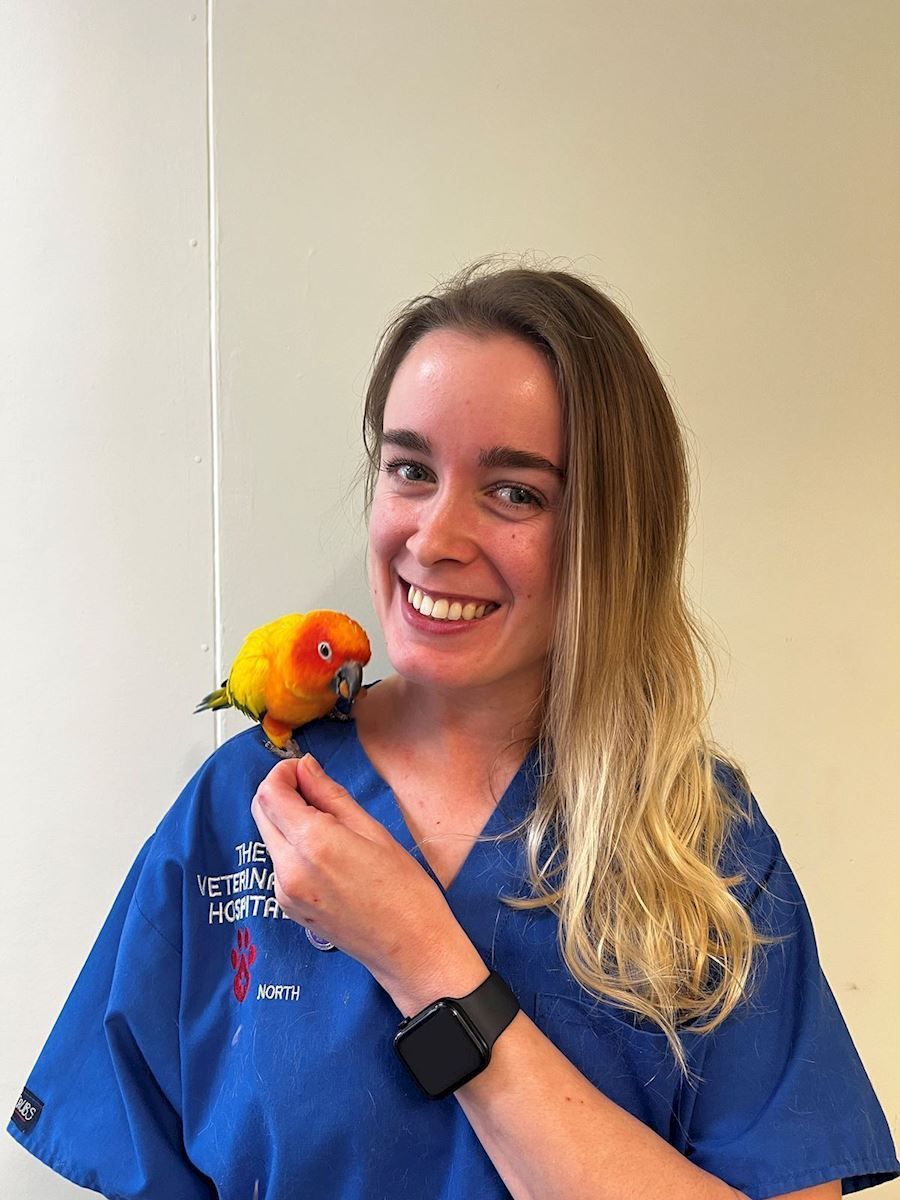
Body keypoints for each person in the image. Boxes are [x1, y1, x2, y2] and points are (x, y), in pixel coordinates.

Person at [8, 259, 899, 1200]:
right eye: (409, 470)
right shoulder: (246, 805)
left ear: (611, 532)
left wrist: (426, 959)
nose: (433, 538)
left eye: (515, 491)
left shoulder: (695, 835)